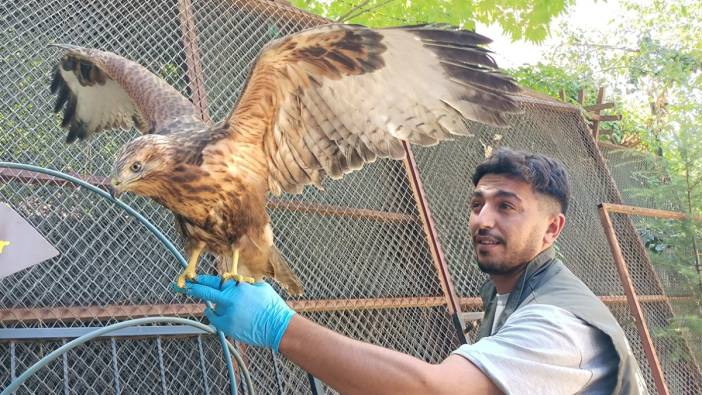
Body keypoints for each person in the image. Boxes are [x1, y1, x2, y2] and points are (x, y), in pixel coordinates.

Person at [179, 148, 649, 394]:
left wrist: (281, 327)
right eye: (477, 205)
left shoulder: (559, 324)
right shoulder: (511, 293)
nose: (483, 219)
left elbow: (436, 390)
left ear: (552, 229)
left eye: (507, 207)